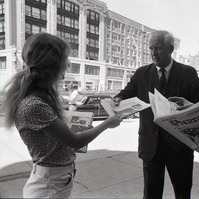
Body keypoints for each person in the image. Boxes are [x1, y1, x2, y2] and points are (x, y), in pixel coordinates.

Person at [0, 32, 121, 198]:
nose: (69, 64)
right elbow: (75, 141)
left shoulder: (38, 97)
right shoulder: (34, 104)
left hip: (53, 180)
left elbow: (55, 139)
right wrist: (108, 123)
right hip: (50, 185)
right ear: (53, 65)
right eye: (65, 59)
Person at [113, 30, 199, 199]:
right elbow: (126, 93)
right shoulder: (142, 73)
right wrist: (117, 99)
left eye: (158, 48)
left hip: (180, 147)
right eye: (151, 48)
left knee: (182, 192)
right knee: (151, 194)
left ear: (171, 49)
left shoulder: (188, 73)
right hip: (151, 146)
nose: (153, 53)